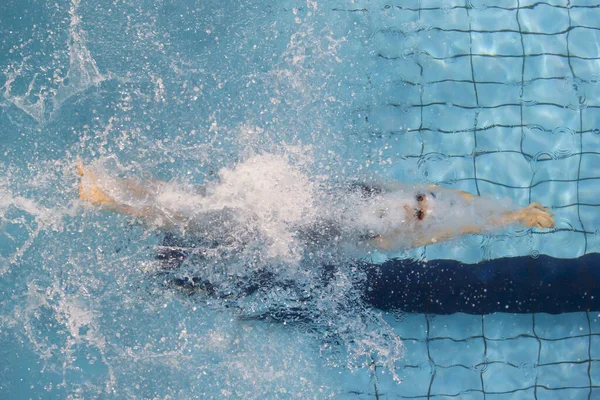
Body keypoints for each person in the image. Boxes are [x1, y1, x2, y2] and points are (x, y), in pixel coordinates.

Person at [76, 162, 555, 251]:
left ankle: (107, 202)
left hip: (275, 231)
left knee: (198, 215)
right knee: (199, 197)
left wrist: (511, 220)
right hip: (281, 200)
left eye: (422, 212)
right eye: (421, 200)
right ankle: (114, 182)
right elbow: (451, 203)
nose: (421, 204)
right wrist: (508, 208)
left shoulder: (383, 235)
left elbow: (450, 229)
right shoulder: (380, 194)